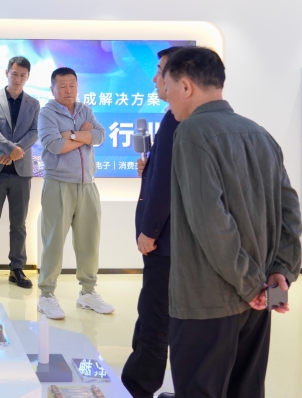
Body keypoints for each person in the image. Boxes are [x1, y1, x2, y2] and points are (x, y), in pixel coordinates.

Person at [163, 47, 302, 398]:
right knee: (247, 389)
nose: (165, 95)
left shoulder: (192, 133)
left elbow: (212, 222)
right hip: (259, 299)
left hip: (206, 300)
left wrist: (251, 284)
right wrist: (279, 275)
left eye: (167, 85)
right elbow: (289, 209)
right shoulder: (259, 133)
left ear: (186, 86)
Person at [121, 47, 182, 398]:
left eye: (161, 71)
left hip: (165, 242)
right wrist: (151, 165)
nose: (155, 78)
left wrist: (149, 230)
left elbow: (167, 185)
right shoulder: (173, 117)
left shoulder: (177, 119)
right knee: (154, 314)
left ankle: (138, 388)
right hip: (172, 242)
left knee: (154, 317)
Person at [36, 67, 112, 319]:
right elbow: (55, 145)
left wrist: (71, 135)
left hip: (88, 184)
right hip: (58, 183)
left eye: (72, 85)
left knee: (89, 241)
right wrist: (84, 135)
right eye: (63, 86)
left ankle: (88, 292)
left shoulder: (85, 110)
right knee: (53, 241)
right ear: (53, 89)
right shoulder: (47, 113)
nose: (68, 90)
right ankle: (46, 295)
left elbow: (100, 136)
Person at [0, 56, 39, 289]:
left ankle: (17, 268)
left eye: (22, 75)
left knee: (19, 224)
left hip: (21, 173)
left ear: (28, 77)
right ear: (7, 73)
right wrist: (10, 149)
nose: (18, 78)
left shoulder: (34, 103)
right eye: (14, 74)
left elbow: (35, 131)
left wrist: (16, 152)